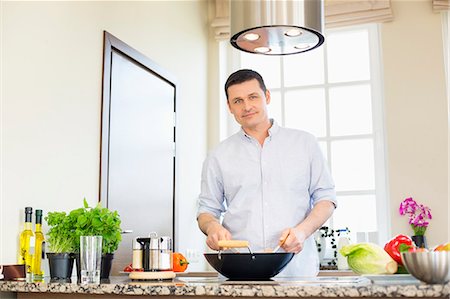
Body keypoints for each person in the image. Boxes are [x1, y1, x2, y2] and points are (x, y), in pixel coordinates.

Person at [196, 69, 337, 277]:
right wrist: (212, 228)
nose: (246, 106)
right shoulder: (218, 155)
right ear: (229, 107)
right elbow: (206, 211)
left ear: (267, 96)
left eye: (253, 97)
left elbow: (326, 200)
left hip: (296, 272)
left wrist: (302, 231)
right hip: (237, 274)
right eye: (237, 101)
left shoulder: (305, 143)